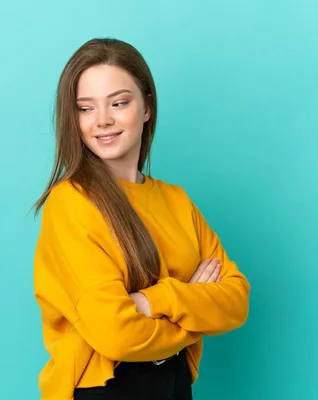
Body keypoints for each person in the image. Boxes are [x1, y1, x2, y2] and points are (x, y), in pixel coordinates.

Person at [32, 38, 250, 400]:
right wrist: (196, 311)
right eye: (85, 108)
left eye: (119, 103)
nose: (102, 120)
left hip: (175, 384)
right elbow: (116, 334)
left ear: (146, 107)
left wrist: (154, 301)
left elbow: (236, 300)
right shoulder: (70, 202)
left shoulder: (176, 200)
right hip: (104, 388)